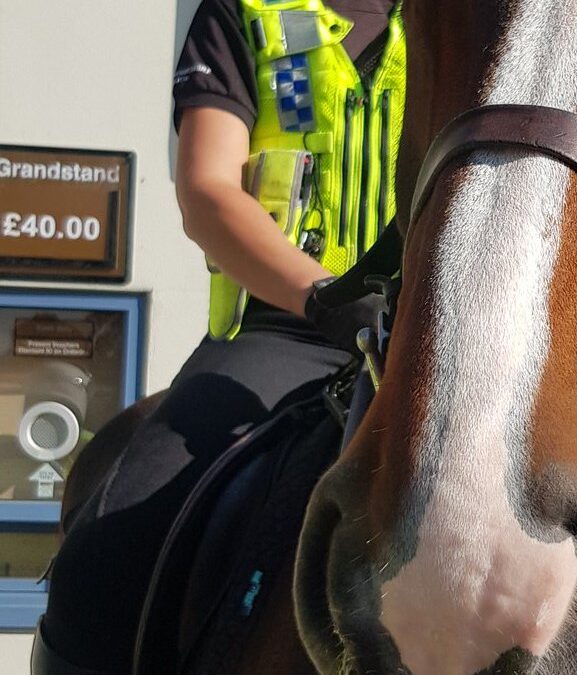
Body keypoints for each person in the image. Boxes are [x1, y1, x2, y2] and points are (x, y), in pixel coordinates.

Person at [32, 0, 405, 672]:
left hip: (430, 340)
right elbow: (207, 188)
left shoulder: (468, 16)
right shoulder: (248, 12)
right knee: (108, 554)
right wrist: (327, 298)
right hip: (286, 334)